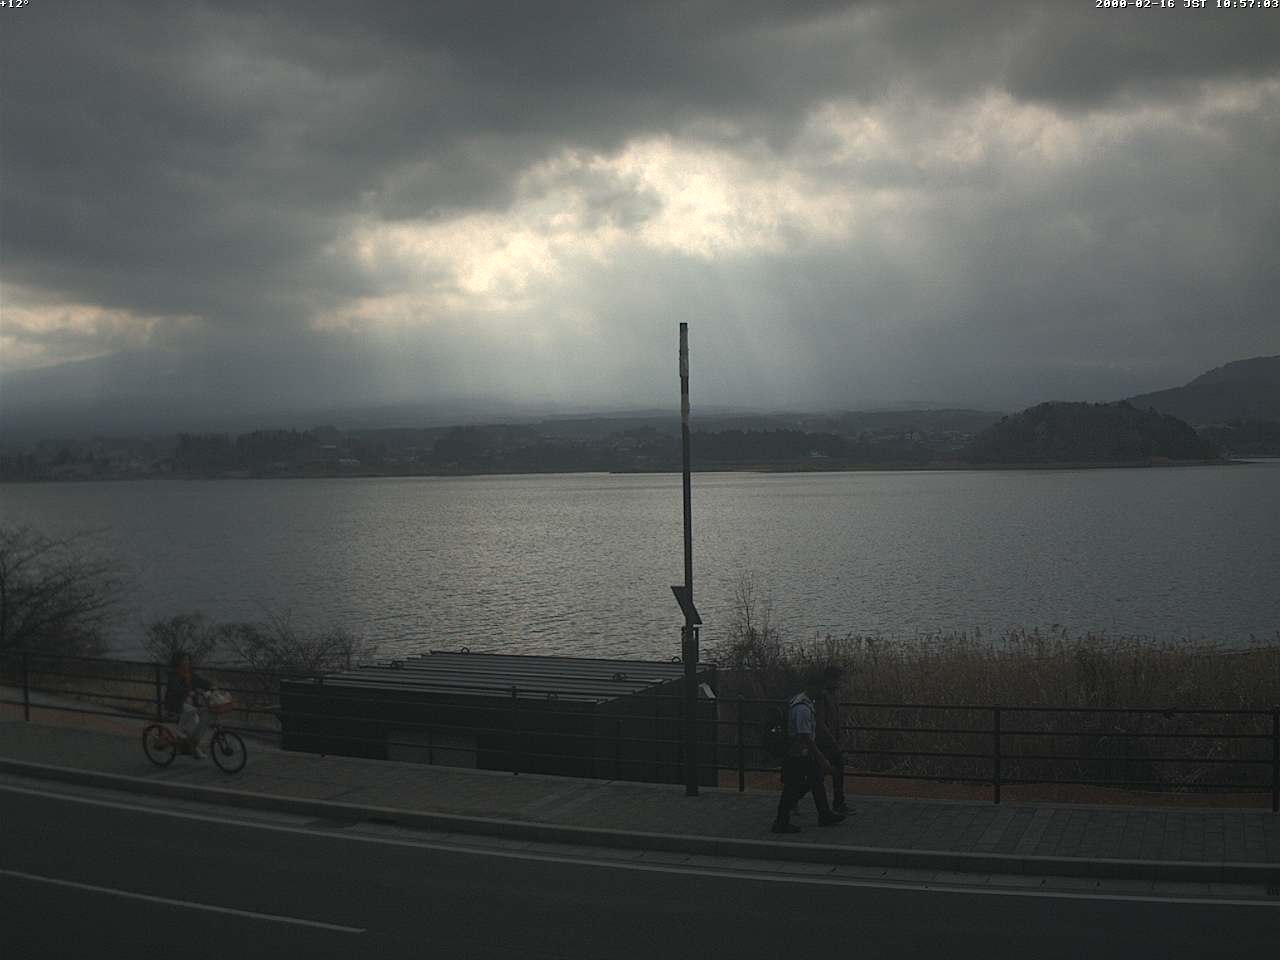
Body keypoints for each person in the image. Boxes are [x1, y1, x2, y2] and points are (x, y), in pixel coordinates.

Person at [772, 673, 846, 834]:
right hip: (799, 753)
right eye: (820, 688)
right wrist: (822, 759)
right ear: (813, 687)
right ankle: (781, 822)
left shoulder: (801, 702)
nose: (822, 691)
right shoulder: (803, 708)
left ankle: (824, 814)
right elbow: (805, 736)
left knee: (816, 780)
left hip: (801, 752)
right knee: (792, 787)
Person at [815, 664, 850, 815]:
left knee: (833, 770)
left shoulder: (831, 695)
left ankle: (838, 802)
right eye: (837, 680)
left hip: (831, 740)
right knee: (819, 774)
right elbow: (821, 721)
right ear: (829, 679)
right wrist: (832, 738)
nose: (838, 683)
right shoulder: (823, 696)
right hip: (825, 742)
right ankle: (838, 802)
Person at [164, 652, 212, 758]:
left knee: (196, 725)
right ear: (178, 661)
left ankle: (192, 746)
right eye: (184, 660)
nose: (187, 662)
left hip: (188, 702)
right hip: (175, 703)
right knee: (192, 711)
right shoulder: (173, 674)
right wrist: (187, 691)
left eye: (188, 660)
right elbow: (175, 687)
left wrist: (211, 685)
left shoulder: (189, 673)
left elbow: (199, 681)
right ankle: (179, 732)